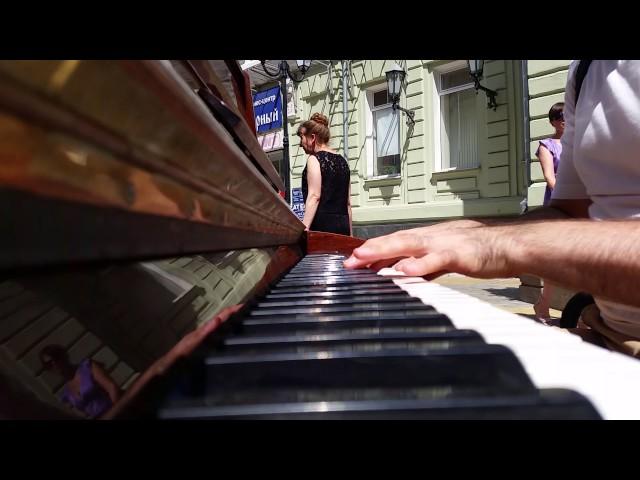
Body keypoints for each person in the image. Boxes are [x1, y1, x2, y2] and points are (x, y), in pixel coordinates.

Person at [344, 60, 640, 358]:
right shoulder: (585, 69)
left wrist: (507, 243)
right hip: (607, 334)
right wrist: (479, 231)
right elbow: (571, 214)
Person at [533, 102, 565, 322]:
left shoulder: (579, 142)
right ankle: (543, 304)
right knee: (554, 260)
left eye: (568, 115)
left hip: (584, 205)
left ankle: (584, 312)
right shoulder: (547, 145)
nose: (565, 119)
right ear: (553, 121)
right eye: (561, 116)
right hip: (559, 205)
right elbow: (550, 177)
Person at [298, 113, 352, 236]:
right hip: (342, 226)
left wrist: (304, 229)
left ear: (312, 138)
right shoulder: (343, 161)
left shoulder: (314, 159)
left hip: (322, 226)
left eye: (302, 137)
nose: (300, 144)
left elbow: (314, 196)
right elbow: (348, 203)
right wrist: (350, 235)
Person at [40, 345, 121, 419]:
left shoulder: (87, 367)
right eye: (49, 363)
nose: (54, 364)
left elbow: (112, 387)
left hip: (118, 409)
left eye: (56, 358)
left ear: (64, 356)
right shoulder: (67, 393)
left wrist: (115, 413)